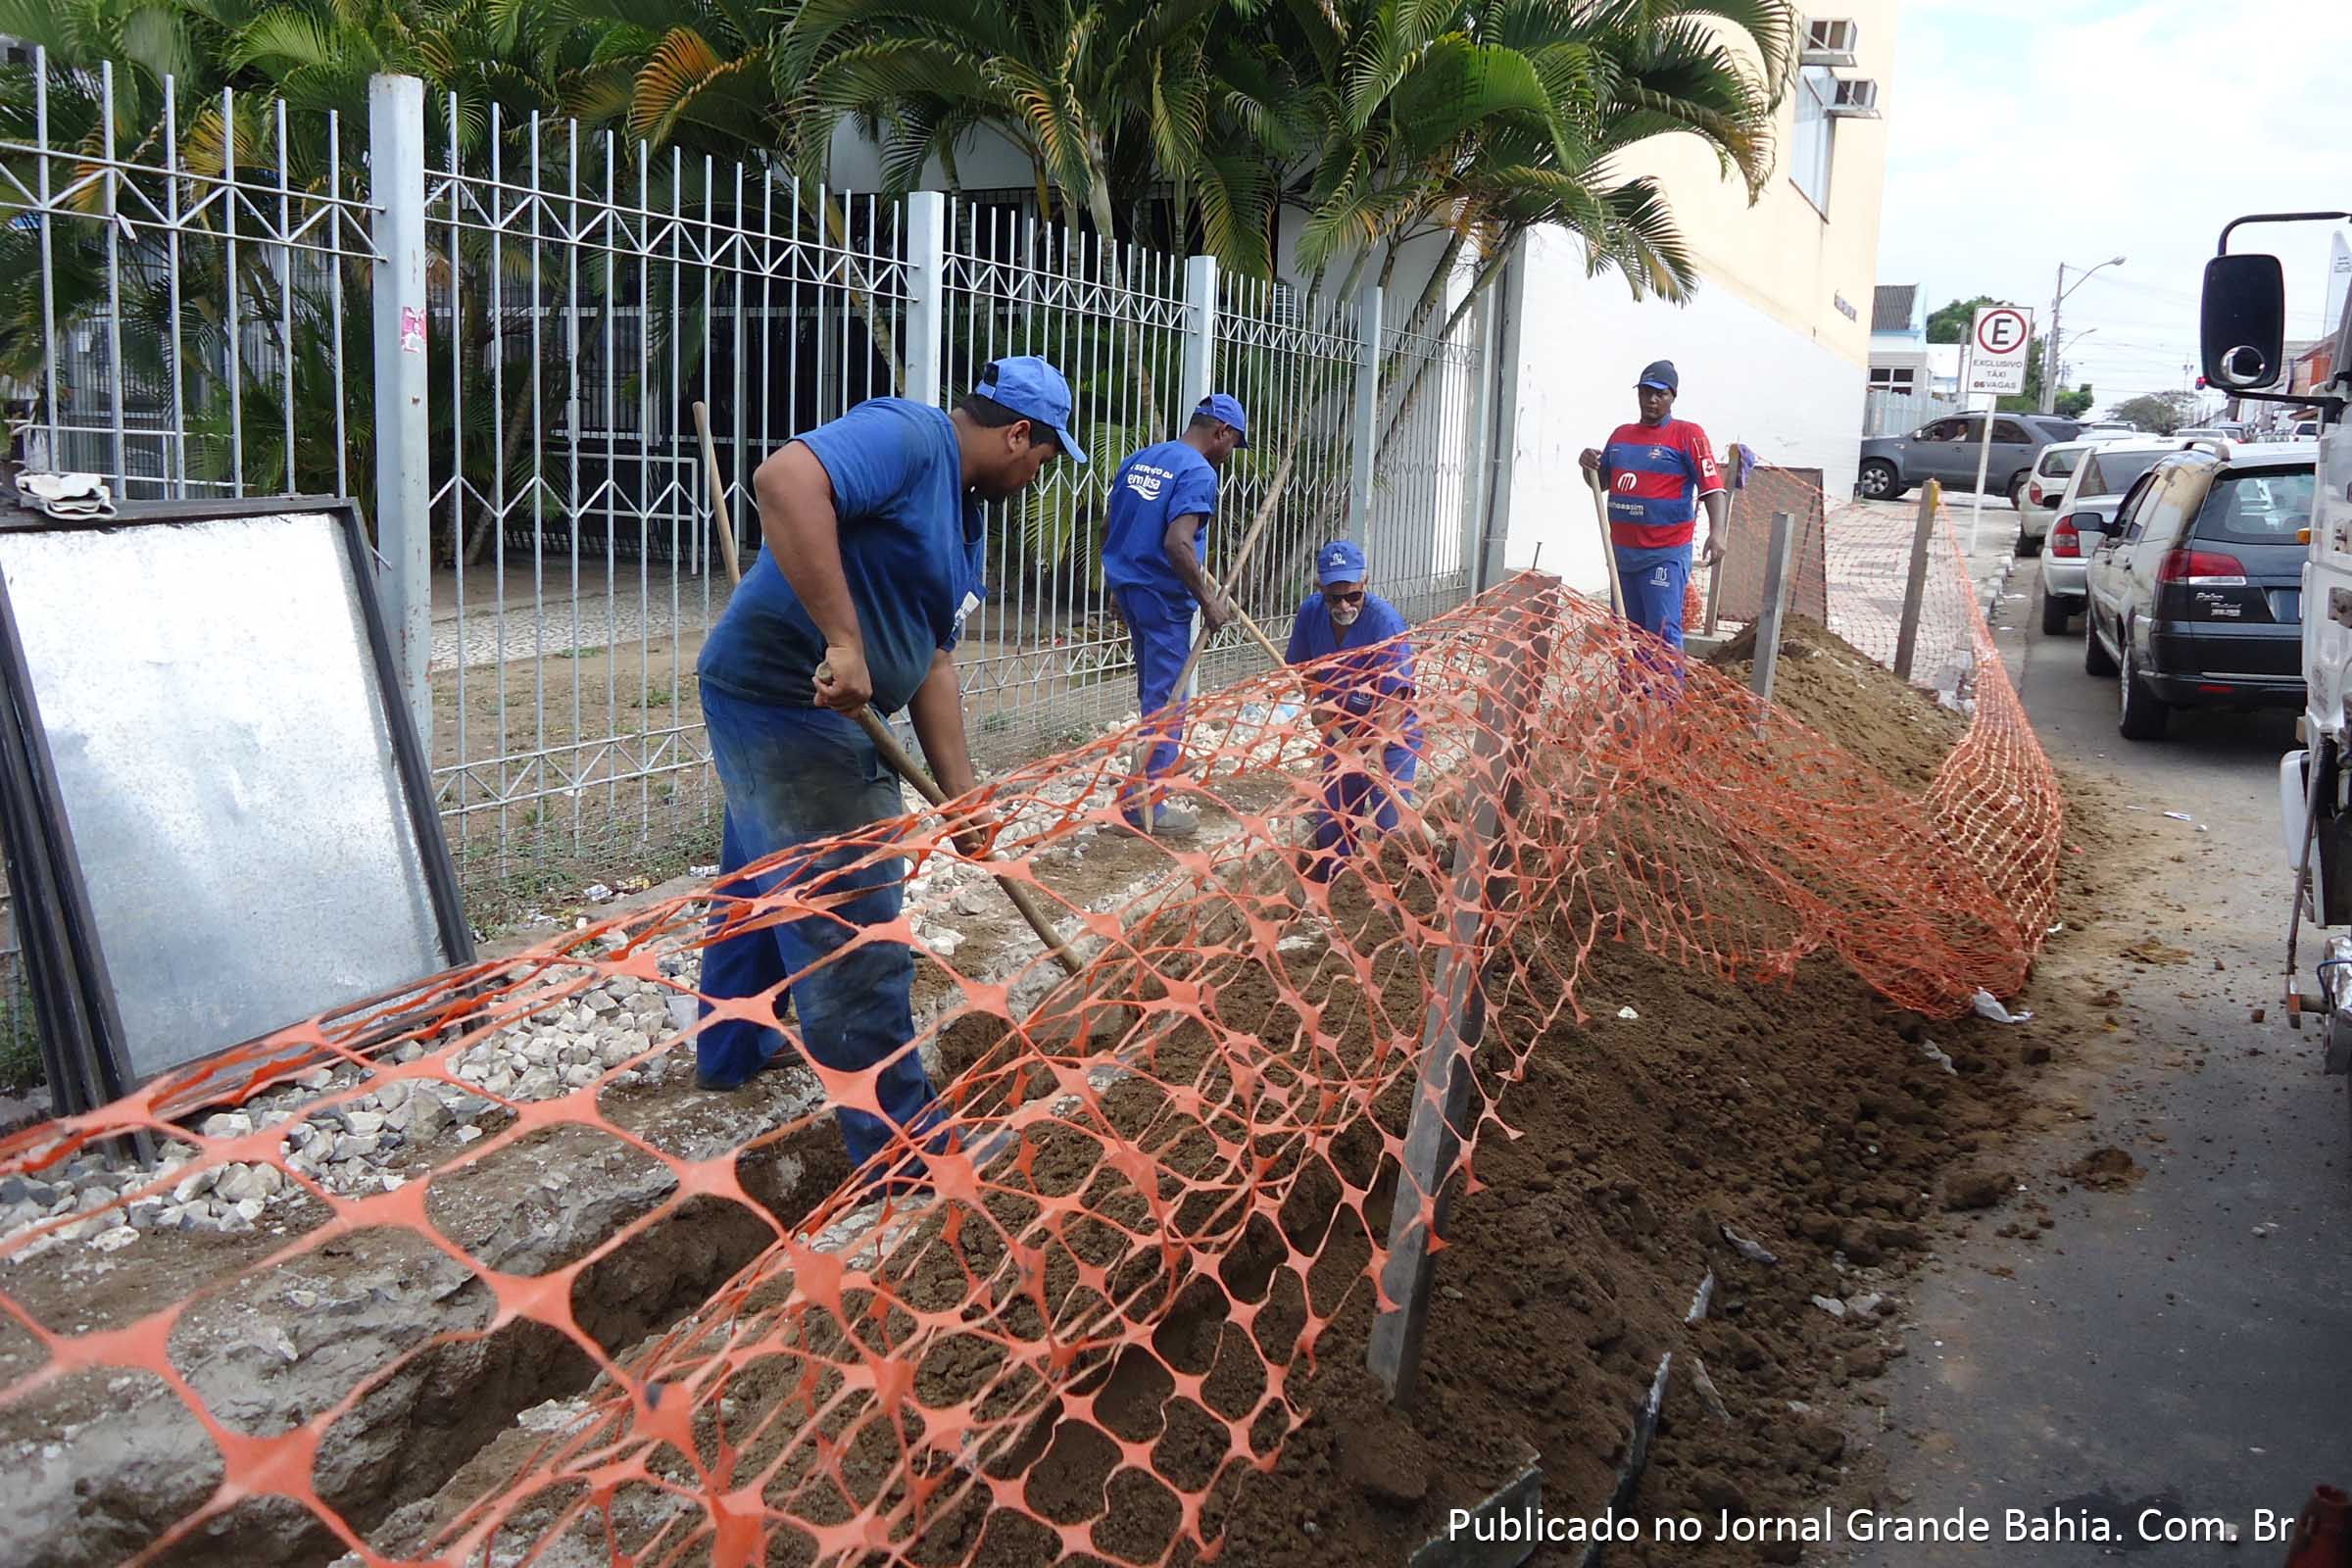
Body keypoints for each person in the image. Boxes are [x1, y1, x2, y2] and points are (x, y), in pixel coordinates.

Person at [692, 356, 1084, 1180]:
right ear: (1019, 433)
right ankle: (906, 1157)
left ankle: (731, 1047)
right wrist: (842, 638)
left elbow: (932, 659)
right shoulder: (911, 437)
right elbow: (785, 479)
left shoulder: (966, 520)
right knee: (852, 929)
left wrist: (962, 798)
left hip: (821, 713)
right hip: (795, 702)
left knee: (763, 878)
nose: (1041, 472)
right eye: (1045, 456)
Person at [1101, 394, 1250, 835]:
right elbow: (1177, 543)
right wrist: (1209, 601)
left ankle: (1138, 796)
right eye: (1232, 444)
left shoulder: (1142, 458)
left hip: (1131, 588)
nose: (1229, 455)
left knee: (1154, 697)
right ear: (1220, 432)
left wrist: (1117, 583)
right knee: (1170, 703)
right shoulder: (1197, 472)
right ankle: (1145, 808)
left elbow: (1111, 525)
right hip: (1164, 600)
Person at [1286, 540, 1421, 884]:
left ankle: (1392, 900)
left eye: (1352, 596)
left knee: (1389, 827)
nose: (1344, 605)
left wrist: (1376, 748)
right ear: (1321, 591)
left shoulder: (1383, 623)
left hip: (1391, 736)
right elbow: (1303, 666)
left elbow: (1396, 695)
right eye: (1334, 597)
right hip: (1341, 731)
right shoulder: (1310, 614)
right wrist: (1315, 699)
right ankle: (1338, 895)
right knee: (1333, 826)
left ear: (1365, 584)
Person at [1577, 360, 1728, 651]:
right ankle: (1632, 694)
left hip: (1664, 555)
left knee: (1661, 631)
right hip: (1622, 555)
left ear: (1673, 396)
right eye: (1646, 392)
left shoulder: (1688, 435)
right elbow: (1602, 481)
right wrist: (1588, 466)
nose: (1652, 400)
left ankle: (1666, 696)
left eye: (1660, 393)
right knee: (1625, 632)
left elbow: (1713, 487)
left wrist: (1718, 532)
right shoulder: (1621, 436)